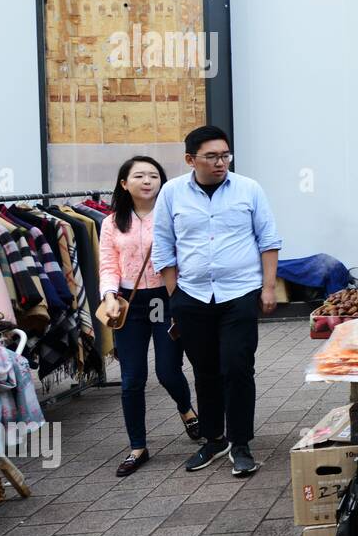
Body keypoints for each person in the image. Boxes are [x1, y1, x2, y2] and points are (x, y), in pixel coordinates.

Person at [153, 125, 282, 477]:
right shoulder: (171, 193)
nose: (220, 162)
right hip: (191, 296)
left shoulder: (248, 189)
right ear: (190, 159)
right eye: (211, 156)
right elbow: (163, 246)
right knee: (205, 370)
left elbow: (268, 240)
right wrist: (174, 295)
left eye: (225, 155)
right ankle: (213, 438)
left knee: (237, 367)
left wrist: (268, 288)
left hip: (239, 292)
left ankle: (240, 443)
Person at [99, 157, 199, 477]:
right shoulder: (112, 223)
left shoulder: (172, 215)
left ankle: (186, 410)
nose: (148, 181)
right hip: (130, 304)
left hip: (164, 299)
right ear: (124, 184)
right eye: (139, 176)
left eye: (154, 175)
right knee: (132, 379)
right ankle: (137, 447)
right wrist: (109, 296)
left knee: (168, 370)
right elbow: (108, 265)